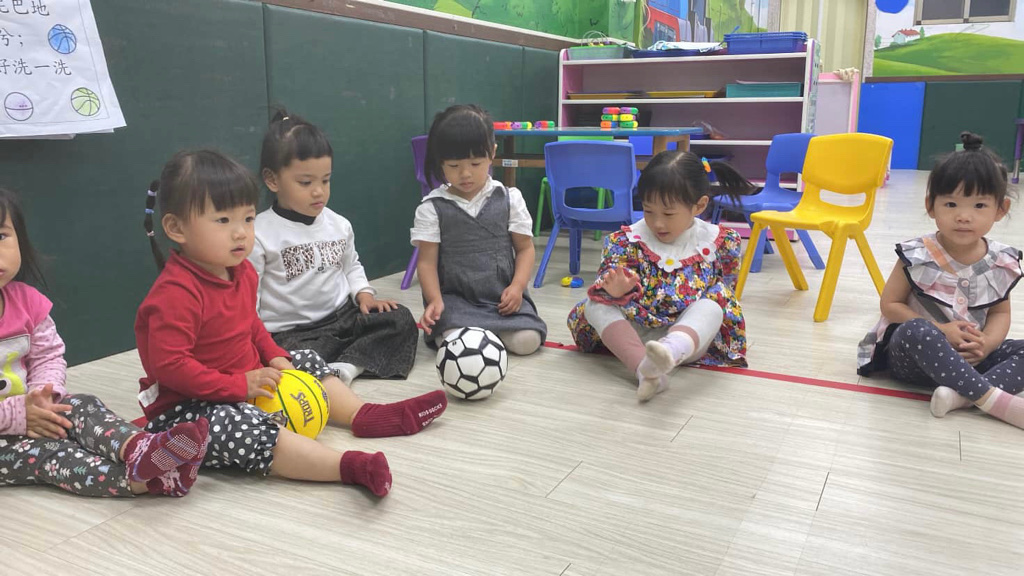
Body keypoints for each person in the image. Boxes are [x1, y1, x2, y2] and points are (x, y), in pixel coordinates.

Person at [137, 149, 447, 497]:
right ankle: (346, 467)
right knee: (241, 426)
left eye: (248, 219)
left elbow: (250, 323)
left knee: (304, 359)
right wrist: (237, 386)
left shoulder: (240, 271)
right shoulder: (175, 294)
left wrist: (273, 355)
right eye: (223, 221)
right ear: (176, 228)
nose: (240, 233)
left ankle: (365, 415)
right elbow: (171, 367)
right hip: (189, 408)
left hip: (245, 380)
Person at [0, 186, 209, 497]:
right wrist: (17, 416)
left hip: (34, 411)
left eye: (1, 236)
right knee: (50, 456)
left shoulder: (28, 302)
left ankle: (141, 449)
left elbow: (48, 356)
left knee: (82, 405)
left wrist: (44, 395)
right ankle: (150, 481)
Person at [858, 132, 1024, 428]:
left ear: (1001, 210)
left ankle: (959, 396)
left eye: (979, 206)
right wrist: (941, 330)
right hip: (916, 358)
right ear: (931, 206)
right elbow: (890, 304)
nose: (963, 216)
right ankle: (991, 400)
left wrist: (987, 344)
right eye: (951, 205)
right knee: (915, 330)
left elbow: (1000, 313)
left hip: (971, 358)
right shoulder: (918, 254)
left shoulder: (1000, 261)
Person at [567, 151, 751, 401]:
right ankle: (645, 369)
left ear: (699, 206)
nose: (657, 223)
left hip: (688, 340)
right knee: (594, 305)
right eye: (648, 211)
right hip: (633, 334)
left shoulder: (720, 242)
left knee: (712, 307)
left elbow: (726, 294)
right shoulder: (627, 240)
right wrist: (615, 291)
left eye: (668, 214)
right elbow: (609, 278)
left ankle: (668, 352)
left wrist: (681, 337)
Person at [251, 110, 417, 386]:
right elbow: (249, 298)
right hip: (292, 334)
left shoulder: (338, 224)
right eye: (306, 182)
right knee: (281, 359)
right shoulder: (258, 234)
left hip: (344, 318)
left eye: (325, 180)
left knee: (400, 319)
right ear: (272, 180)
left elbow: (351, 266)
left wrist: (364, 295)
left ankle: (348, 367)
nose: (318, 191)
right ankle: (336, 364)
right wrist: (258, 345)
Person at [411, 104, 547, 354]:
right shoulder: (432, 207)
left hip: (501, 299)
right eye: (454, 166)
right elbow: (427, 263)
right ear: (440, 162)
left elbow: (525, 249)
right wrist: (435, 300)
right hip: (457, 301)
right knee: (453, 341)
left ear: (492, 152)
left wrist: (517, 287)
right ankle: (481, 337)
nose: (465, 174)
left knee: (528, 341)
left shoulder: (509, 198)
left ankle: (487, 337)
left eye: (475, 163)